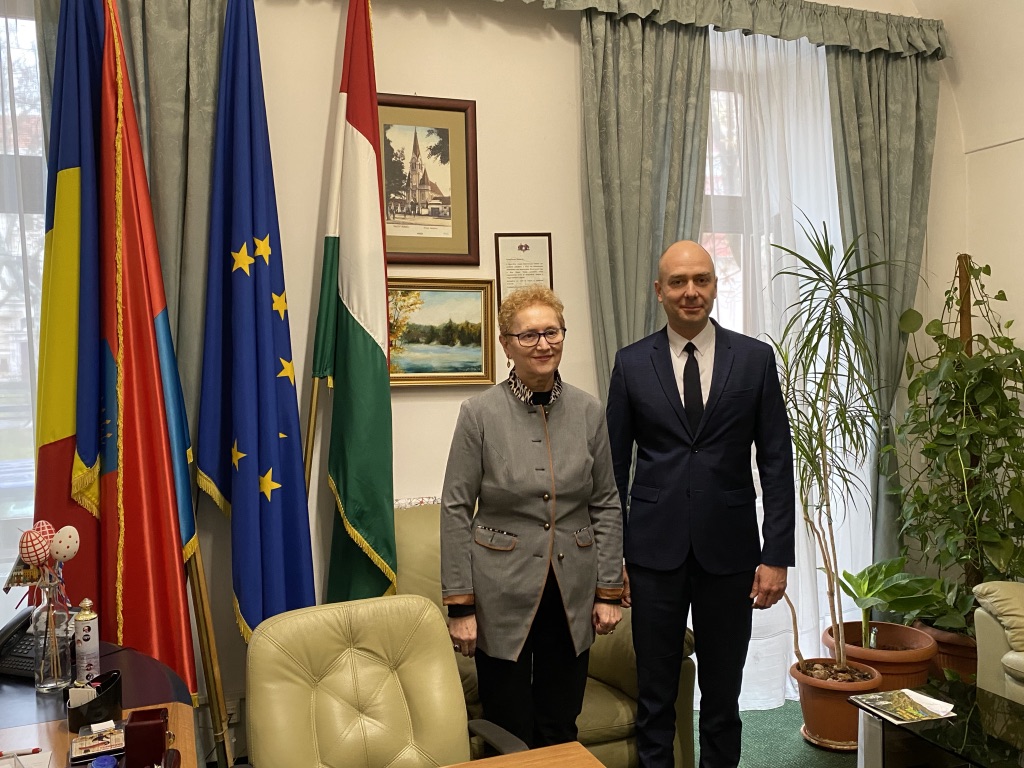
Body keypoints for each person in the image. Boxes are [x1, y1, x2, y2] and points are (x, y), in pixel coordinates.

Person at [606, 241, 795, 768]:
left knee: (722, 698)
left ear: (714, 285)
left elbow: (776, 462)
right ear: (659, 291)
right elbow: (612, 470)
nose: (691, 292)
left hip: (730, 554)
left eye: (701, 280)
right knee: (655, 697)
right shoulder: (631, 363)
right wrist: (613, 557)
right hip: (651, 556)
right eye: (678, 282)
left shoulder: (754, 360)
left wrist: (776, 555)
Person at [441, 285, 624, 749]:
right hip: (501, 593)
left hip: (572, 592)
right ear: (506, 345)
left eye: (552, 332)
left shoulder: (589, 410)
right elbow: (456, 508)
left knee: (561, 725)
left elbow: (605, 502)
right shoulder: (478, 414)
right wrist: (461, 606)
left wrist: (608, 592)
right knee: (508, 729)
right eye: (528, 336)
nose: (543, 344)